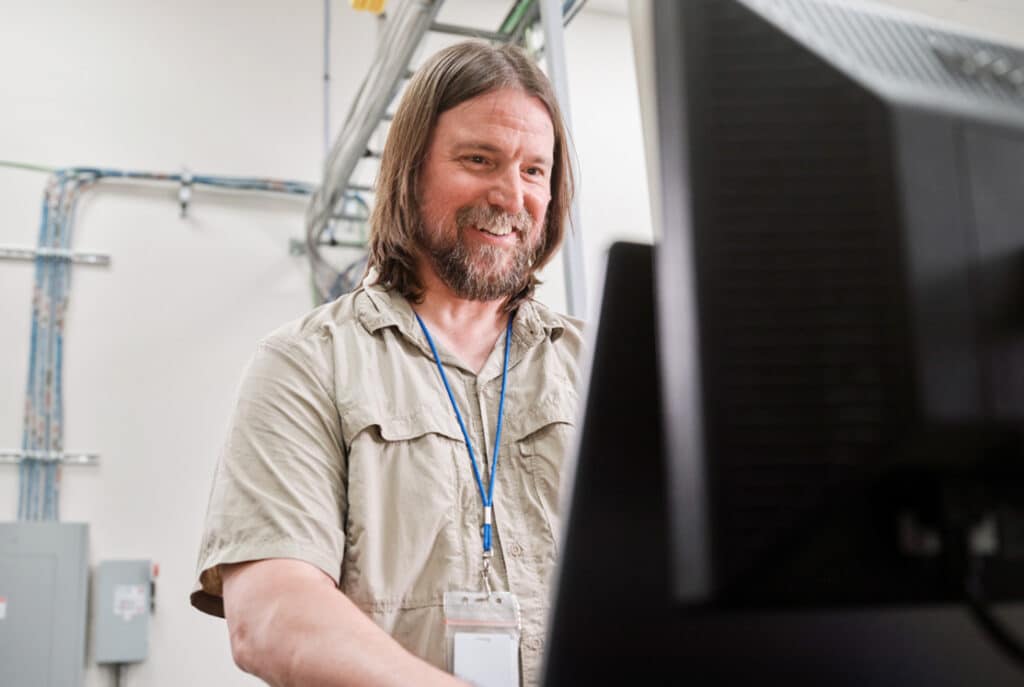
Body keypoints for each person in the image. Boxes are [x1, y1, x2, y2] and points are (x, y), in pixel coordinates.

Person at [190, 40, 583, 687]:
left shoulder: (596, 366)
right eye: (479, 159)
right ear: (411, 171)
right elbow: (270, 612)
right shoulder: (306, 363)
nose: (511, 194)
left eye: (534, 170)